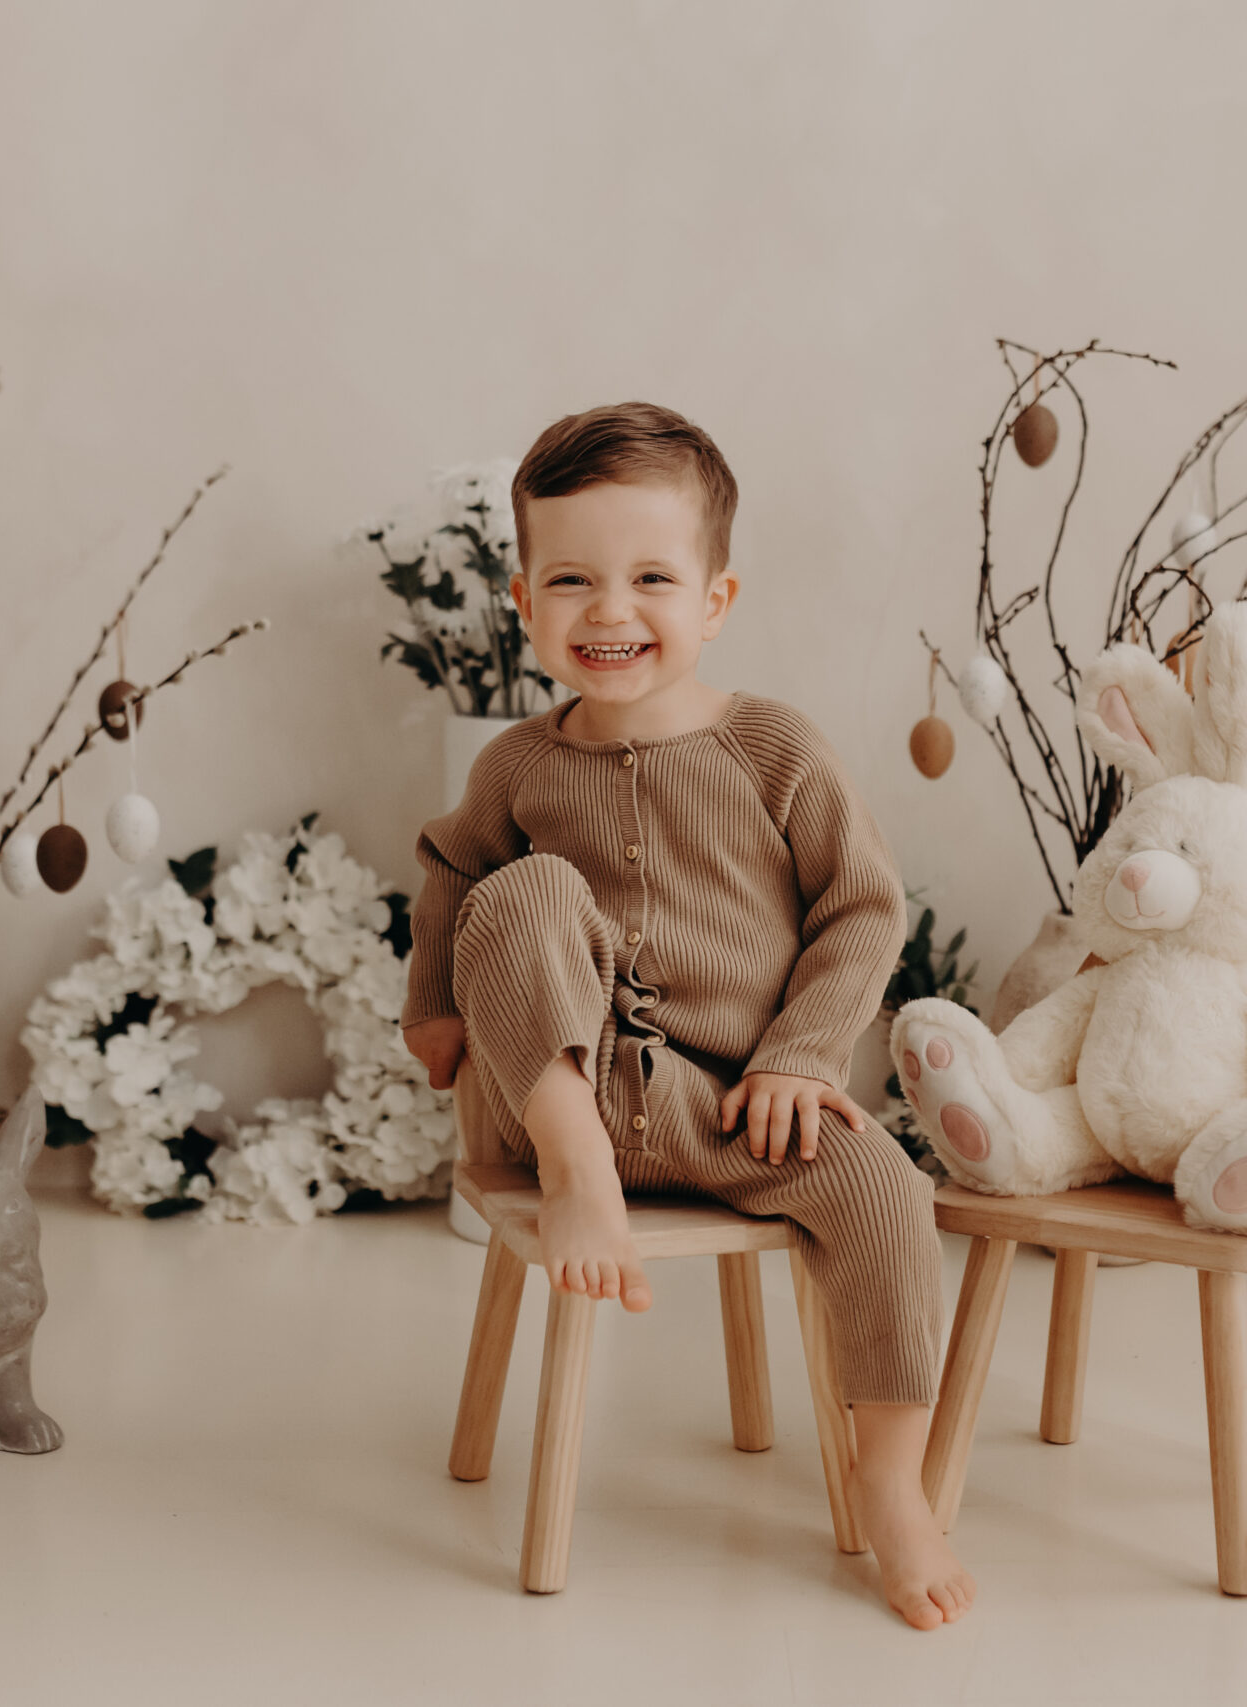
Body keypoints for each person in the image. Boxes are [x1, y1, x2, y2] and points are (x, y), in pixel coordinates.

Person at [400, 401, 972, 1629]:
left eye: (651, 578)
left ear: (715, 600)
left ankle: (890, 1482)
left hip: (738, 1110)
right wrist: (434, 1005)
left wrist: (801, 1058)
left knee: (889, 1195)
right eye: (572, 580)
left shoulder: (773, 749)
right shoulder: (515, 765)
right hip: (564, 1096)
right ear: (524, 602)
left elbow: (863, 909)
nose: (609, 610)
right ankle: (582, 1174)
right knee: (527, 891)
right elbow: (452, 872)